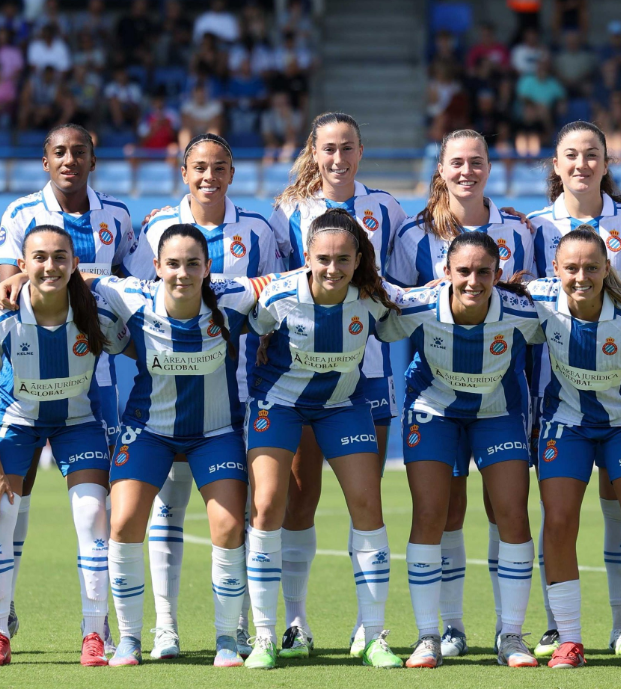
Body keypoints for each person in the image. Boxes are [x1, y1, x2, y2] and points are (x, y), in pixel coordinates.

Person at [127, 134, 282, 660]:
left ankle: (233, 627)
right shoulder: (153, 227)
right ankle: (163, 628)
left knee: (230, 519)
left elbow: (283, 288)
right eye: (199, 167)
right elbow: (126, 292)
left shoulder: (259, 227)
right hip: (164, 397)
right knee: (164, 514)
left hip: (232, 395)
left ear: (232, 173)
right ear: (184, 171)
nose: (209, 176)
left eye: (219, 167)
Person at [88, 227, 271, 667]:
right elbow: (81, 276)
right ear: (156, 268)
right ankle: (131, 638)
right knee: (125, 519)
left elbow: (296, 280)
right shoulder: (132, 295)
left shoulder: (230, 298)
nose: (182, 273)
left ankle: (228, 637)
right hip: (149, 429)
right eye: (172, 263)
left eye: (193, 263)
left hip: (215, 432)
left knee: (228, 527)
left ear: (208, 268)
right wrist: (14, 280)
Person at [385, 128, 536, 660]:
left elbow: (544, 313)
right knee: (437, 513)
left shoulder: (520, 229)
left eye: (476, 161)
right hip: (433, 401)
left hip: (502, 399)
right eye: (456, 162)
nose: (467, 170)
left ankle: (510, 632)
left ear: (489, 167)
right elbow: (389, 309)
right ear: (441, 169)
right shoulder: (411, 235)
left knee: (509, 512)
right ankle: (440, 631)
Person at [265, 112, 409, 660]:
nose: (338, 158)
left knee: (363, 500)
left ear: (360, 150)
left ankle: (366, 630)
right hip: (301, 372)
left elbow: (406, 286)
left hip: (366, 370)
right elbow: (275, 286)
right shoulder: (287, 213)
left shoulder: (387, 209)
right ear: (314, 152)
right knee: (300, 498)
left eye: (347, 147)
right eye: (329, 148)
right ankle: (296, 625)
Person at [0, 123, 134, 648]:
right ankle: (1, 615)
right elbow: (7, 288)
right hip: (25, 384)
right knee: (13, 502)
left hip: (93, 387)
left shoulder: (116, 217)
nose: (69, 159)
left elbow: (139, 288)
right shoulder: (20, 214)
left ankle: (96, 625)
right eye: (59, 152)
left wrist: (97, 288)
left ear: (93, 160)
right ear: (45, 161)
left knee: (96, 511)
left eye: (79, 152)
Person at [243, 210, 403, 670]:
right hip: (279, 405)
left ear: (357, 261)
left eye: (343, 260)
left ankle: (373, 636)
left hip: (342, 405)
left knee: (367, 506)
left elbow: (398, 323)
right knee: (270, 505)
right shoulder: (279, 296)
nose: (332, 269)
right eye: (324, 259)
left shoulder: (371, 299)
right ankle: (266, 636)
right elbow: (254, 329)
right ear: (307, 259)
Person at [524, 119, 621, 659]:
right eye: (571, 155)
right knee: (553, 512)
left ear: (606, 161)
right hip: (556, 391)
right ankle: (561, 628)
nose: (581, 164)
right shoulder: (531, 227)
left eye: (592, 154)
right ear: (555, 165)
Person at [0, 225, 129, 668]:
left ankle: (94, 631)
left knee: (92, 514)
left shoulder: (94, 314)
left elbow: (136, 346)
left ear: (74, 264)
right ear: (22, 266)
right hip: (16, 421)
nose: (50, 265)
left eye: (60, 257)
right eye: (39, 257)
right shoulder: (1, 316)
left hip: (78, 422)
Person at [527, 228, 621, 670]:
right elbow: (489, 289)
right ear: (555, 270)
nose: (581, 277)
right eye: (571, 268)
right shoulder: (538, 299)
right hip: (566, 424)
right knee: (558, 521)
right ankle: (569, 639)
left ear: (607, 268)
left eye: (591, 267)